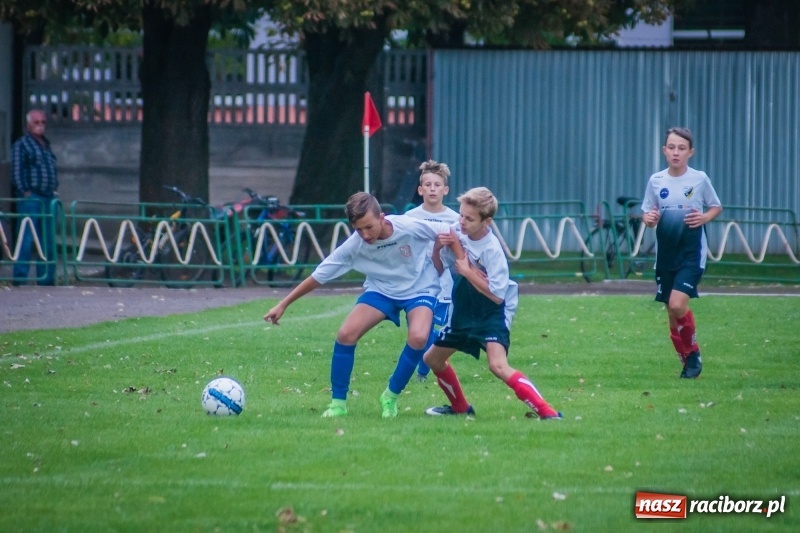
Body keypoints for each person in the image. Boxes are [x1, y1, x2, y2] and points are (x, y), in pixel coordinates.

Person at [263, 192, 452, 418]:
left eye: (369, 227)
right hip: (381, 290)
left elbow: (451, 231)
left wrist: (474, 260)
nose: (365, 235)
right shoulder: (355, 245)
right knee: (346, 334)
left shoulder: (409, 226)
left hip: (420, 288)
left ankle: (390, 396)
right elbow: (319, 274)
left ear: (382, 217)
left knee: (419, 337)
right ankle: (338, 405)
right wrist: (284, 304)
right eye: (358, 229)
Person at [422, 186, 562, 419]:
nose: (462, 222)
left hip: (491, 314)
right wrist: (437, 247)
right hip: (463, 312)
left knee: (497, 365)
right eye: (461, 215)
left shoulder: (492, 249)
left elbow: (497, 295)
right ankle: (460, 408)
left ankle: (548, 412)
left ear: (486, 222)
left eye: (469, 219)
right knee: (432, 359)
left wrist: (468, 272)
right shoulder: (456, 231)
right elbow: (439, 268)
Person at [641, 127, 722, 378]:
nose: (676, 152)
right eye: (672, 147)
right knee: (671, 311)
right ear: (664, 151)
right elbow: (647, 213)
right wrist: (649, 219)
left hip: (691, 253)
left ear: (690, 152)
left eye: (681, 148)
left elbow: (715, 206)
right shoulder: (656, 181)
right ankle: (687, 362)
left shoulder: (699, 179)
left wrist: (705, 217)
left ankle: (693, 354)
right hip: (666, 255)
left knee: (678, 304)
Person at [404, 160, 461, 382]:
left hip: (442, 282)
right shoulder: (410, 218)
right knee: (418, 331)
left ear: (445, 190)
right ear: (420, 190)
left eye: (437, 185)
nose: (432, 189)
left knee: (432, 329)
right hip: (415, 282)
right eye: (428, 185)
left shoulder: (455, 220)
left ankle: (423, 372)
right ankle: (424, 368)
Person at [11, 109, 59, 286]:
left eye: (43, 122)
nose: (40, 126)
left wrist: (55, 190)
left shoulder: (46, 144)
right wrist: (25, 192)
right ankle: (19, 279)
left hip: (48, 197)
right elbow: (16, 171)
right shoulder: (22, 144)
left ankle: (46, 279)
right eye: (36, 122)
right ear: (29, 125)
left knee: (48, 240)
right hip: (32, 197)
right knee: (26, 238)